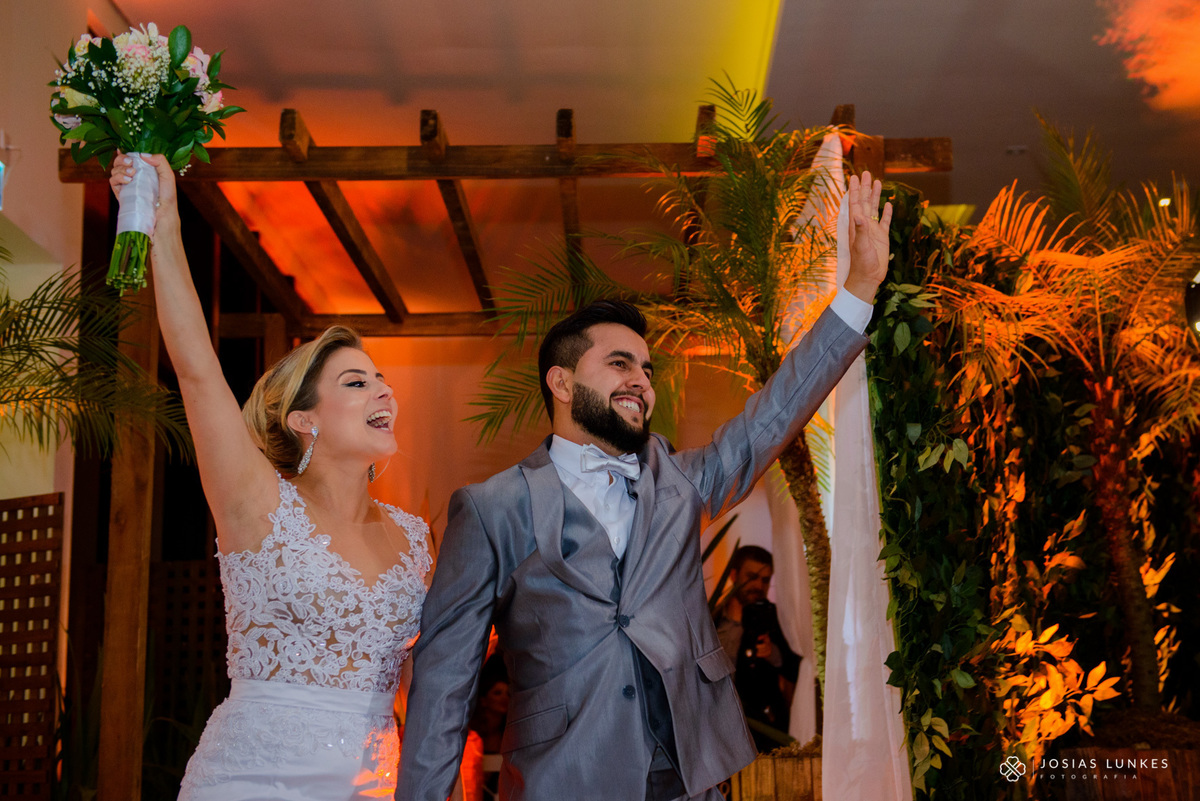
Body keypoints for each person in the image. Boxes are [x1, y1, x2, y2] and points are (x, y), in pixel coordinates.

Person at [396, 172, 892, 801]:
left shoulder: (683, 483)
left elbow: (773, 416)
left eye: (648, 369)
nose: (642, 381)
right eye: (619, 364)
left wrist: (858, 291)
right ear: (561, 382)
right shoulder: (492, 509)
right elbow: (445, 680)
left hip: (690, 780)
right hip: (561, 780)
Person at [109, 154, 434, 800]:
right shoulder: (256, 502)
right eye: (357, 381)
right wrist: (166, 223)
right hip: (252, 779)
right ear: (303, 419)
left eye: (382, 381)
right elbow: (198, 369)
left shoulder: (415, 537)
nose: (384, 392)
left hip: (374, 783)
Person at [712, 546, 800, 752]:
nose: (758, 586)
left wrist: (773, 655)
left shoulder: (775, 618)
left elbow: (795, 666)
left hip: (764, 732)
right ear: (734, 575)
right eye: (752, 577)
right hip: (718, 729)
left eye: (766, 580)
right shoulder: (712, 620)